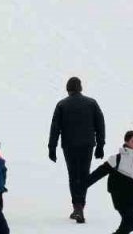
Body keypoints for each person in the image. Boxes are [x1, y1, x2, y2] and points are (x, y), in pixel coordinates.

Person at [49, 76, 106, 224]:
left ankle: (77, 206)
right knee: (84, 174)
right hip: (87, 144)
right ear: (80, 88)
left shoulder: (62, 104)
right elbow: (100, 125)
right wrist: (100, 145)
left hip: (69, 145)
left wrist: (52, 147)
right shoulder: (92, 103)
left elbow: (55, 127)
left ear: (68, 89)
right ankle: (80, 205)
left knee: (73, 175)